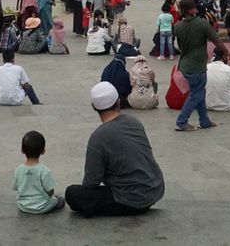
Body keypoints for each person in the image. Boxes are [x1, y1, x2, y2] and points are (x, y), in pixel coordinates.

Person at [64, 82, 165, 217]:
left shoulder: (98, 137)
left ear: (94, 106)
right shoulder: (134, 122)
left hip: (131, 200)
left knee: (72, 193)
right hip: (154, 189)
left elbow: (91, 181)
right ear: (118, 102)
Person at [173, 0, 229, 131]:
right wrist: (226, 51)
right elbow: (216, 40)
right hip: (197, 65)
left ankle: (204, 120)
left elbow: (180, 46)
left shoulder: (178, 26)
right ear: (191, 10)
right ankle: (182, 121)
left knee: (199, 92)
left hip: (184, 64)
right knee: (196, 94)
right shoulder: (202, 23)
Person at [13, 130, 64, 214]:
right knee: (59, 201)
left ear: (22, 150)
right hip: (42, 207)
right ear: (43, 151)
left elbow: (15, 187)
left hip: (22, 206)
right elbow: (50, 191)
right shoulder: (44, 170)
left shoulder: (18, 169)